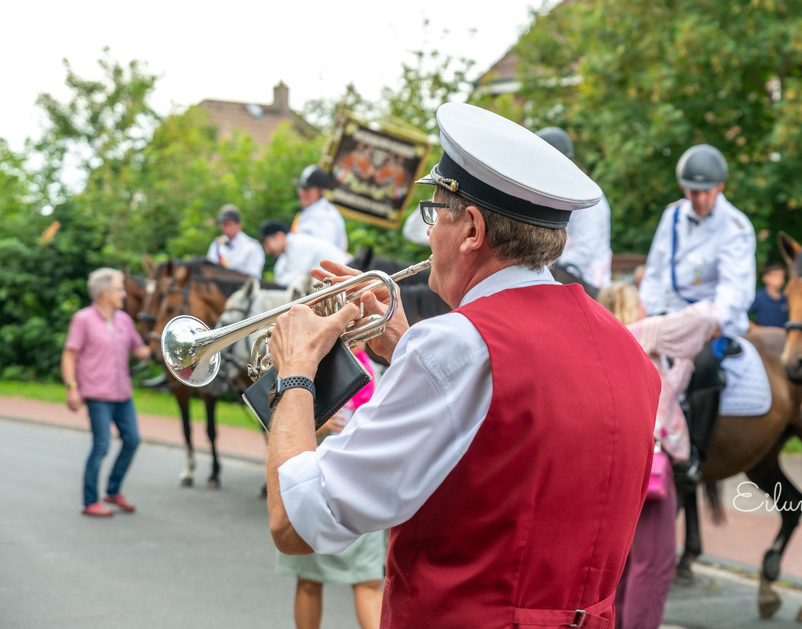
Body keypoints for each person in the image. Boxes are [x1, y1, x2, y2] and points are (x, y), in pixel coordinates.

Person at [264, 102, 661, 628]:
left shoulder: (453, 347)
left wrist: (294, 373)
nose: (430, 235)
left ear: (471, 228)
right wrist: (406, 344)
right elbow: (514, 451)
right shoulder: (626, 348)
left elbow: (298, 520)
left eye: (434, 214)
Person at [597, 282, 719, 629]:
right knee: (655, 561)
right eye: (640, 304)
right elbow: (703, 315)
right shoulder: (640, 332)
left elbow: (666, 391)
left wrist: (685, 361)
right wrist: (717, 315)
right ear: (627, 307)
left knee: (623, 562)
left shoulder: (606, 343)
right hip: (651, 462)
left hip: (617, 461)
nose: (647, 309)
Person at [639, 143, 756, 481]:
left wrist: (713, 319)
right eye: (692, 191)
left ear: (719, 187)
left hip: (714, 319)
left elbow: (736, 286)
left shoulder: (736, 225)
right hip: (672, 312)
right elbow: (657, 269)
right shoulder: (672, 215)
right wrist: (649, 309)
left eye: (705, 192)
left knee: (704, 365)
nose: (699, 199)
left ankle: (695, 457)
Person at [276, 344, 384, 629]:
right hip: (318, 483)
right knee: (310, 581)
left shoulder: (378, 368)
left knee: (369, 579)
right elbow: (276, 428)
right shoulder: (310, 368)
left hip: (366, 486)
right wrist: (314, 425)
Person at [62, 268, 152, 517]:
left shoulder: (123, 319)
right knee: (101, 445)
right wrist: (72, 388)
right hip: (97, 394)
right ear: (105, 292)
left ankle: (112, 490)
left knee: (132, 440)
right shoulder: (83, 319)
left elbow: (141, 351)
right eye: (120, 288)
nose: (124, 293)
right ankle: (90, 501)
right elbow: (70, 355)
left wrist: (166, 349)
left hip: (122, 393)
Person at [536, 126, 614, 291]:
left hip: (588, 281)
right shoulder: (551, 192)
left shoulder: (586, 195)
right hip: (560, 272)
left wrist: (545, 268)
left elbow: (583, 251)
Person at [260, 219, 351, 290]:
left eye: (267, 243)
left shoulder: (297, 244)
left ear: (279, 236)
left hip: (346, 277)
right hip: (334, 281)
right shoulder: (286, 254)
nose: (267, 250)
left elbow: (294, 280)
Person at [295, 165, 348, 252]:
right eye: (301, 187)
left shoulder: (325, 217)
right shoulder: (312, 212)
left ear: (321, 191)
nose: (302, 192)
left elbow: (324, 255)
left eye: (307, 189)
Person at [206, 204, 266, 278]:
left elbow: (254, 276)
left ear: (239, 225)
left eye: (229, 224)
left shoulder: (252, 246)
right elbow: (210, 271)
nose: (226, 228)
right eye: (223, 225)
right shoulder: (216, 245)